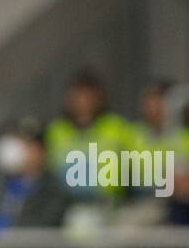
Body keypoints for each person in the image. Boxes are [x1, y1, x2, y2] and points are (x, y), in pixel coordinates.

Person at [43, 69, 134, 205]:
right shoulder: (56, 130)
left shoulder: (117, 127)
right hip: (64, 205)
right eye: (77, 97)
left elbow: (136, 165)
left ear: (99, 98)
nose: (83, 103)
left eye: (88, 97)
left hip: (109, 204)